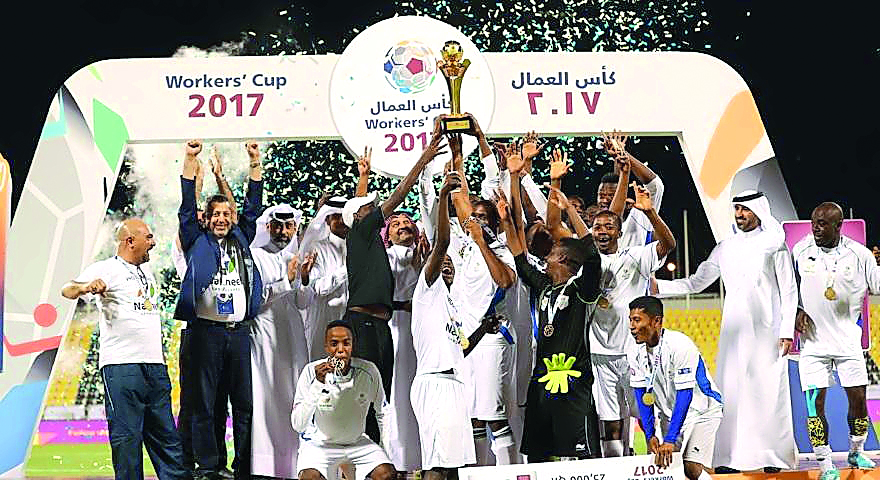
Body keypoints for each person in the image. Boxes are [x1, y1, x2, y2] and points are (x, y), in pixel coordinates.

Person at [654, 190, 797, 472]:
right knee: (732, 393)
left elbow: (789, 290)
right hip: (733, 332)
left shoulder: (775, 245)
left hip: (769, 332)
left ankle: (771, 457)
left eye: (745, 210)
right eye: (737, 210)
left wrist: (787, 330)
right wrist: (660, 287)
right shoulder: (726, 247)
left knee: (769, 393)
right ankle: (729, 458)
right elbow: (697, 282)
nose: (740, 215)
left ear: (759, 211)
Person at [341, 122, 446, 442]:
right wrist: (424, 159)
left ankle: (374, 457)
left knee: (379, 396)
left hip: (380, 326)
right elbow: (398, 195)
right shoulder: (360, 232)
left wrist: (363, 179)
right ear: (361, 217)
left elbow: (358, 208)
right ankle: (359, 459)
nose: (378, 210)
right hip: (362, 325)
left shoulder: (370, 243)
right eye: (370, 208)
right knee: (365, 395)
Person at [61, 219, 188, 480]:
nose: (153, 243)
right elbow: (67, 289)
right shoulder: (106, 268)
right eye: (149, 237)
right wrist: (85, 287)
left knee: (168, 440)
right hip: (122, 366)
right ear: (130, 241)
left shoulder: (146, 272)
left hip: (155, 365)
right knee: (127, 440)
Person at [498, 150, 604, 461]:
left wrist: (569, 208)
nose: (546, 257)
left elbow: (593, 254)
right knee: (538, 456)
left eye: (553, 253)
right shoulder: (544, 286)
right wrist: (507, 217)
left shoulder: (582, 289)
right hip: (542, 381)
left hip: (574, 382)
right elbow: (518, 257)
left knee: (582, 459)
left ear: (566, 261)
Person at [174, 139, 264, 480]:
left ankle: (244, 466)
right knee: (204, 404)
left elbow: (253, 206)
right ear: (207, 219)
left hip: (238, 334)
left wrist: (254, 163)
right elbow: (186, 204)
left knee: (243, 404)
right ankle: (209, 466)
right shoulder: (196, 240)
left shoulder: (242, 239)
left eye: (228, 214)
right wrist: (189, 159)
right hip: (205, 333)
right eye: (216, 215)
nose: (223, 219)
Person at [410, 170, 501, 479]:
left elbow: (461, 348)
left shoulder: (450, 304)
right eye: (441, 261)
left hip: (454, 384)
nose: (446, 263)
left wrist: (483, 330)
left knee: (454, 467)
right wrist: (444, 196)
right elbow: (443, 242)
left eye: (450, 263)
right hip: (434, 385)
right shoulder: (427, 291)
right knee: (436, 465)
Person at [590, 157, 676, 457]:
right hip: (599, 355)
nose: (602, 231)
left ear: (619, 231)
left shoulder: (637, 255)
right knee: (610, 422)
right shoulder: (586, 260)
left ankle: (666, 462)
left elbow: (667, 244)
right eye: (596, 227)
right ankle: (616, 471)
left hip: (634, 352)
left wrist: (649, 211)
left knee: (648, 412)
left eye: (608, 226)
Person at [792, 202, 879, 479]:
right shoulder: (800, 250)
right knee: (814, 404)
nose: (815, 228)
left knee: (858, 401)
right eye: (813, 222)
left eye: (822, 224)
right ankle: (825, 463)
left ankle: (856, 451)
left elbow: (877, 286)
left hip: (848, 343)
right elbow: (788, 286)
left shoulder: (860, 255)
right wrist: (795, 308)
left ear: (838, 226)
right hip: (813, 345)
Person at [447, 134, 519, 466]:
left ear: (491, 222)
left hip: (491, 339)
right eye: (472, 216)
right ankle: (479, 473)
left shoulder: (501, 247)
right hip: (464, 339)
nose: (475, 219)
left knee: (493, 412)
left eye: (482, 216)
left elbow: (505, 280)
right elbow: (460, 199)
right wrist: (458, 155)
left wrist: (483, 243)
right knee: (472, 414)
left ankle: (508, 473)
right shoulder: (462, 246)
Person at [173, 149, 236, 479]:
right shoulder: (188, 241)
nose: (210, 220)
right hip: (198, 328)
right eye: (206, 216)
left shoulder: (227, 245)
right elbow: (188, 212)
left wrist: (219, 177)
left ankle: (212, 463)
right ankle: (194, 462)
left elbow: (233, 218)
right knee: (197, 402)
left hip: (224, 330)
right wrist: (192, 172)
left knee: (216, 402)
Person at [628, 296, 723, 480]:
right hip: (669, 415)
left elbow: (685, 395)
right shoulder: (634, 352)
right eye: (630, 320)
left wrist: (670, 439)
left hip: (702, 411)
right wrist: (650, 435)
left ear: (656, 321)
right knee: (667, 468)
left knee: (691, 468)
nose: (631, 326)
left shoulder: (680, 345)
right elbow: (642, 396)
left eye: (637, 320)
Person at [249, 204, 311, 479]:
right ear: (267, 227)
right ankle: (265, 468)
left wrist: (304, 278)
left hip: (293, 337)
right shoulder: (254, 255)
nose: (284, 231)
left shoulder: (295, 255)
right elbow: (254, 300)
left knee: (294, 398)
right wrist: (286, 279)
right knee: (268, 402)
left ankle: (297, 465)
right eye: (278, 226)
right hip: (265, 337)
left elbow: (302, 302)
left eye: (289, 226)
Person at [291, 321, 396, 480]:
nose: (341, 350)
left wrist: (385, 451)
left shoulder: (368, 371)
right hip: (320, 445)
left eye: (346, 343)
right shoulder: (311, 372)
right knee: (308, 478)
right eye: (334, 344)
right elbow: (298, 424)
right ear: (326, 347)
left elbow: (383, 412)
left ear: (352, 346)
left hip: (357, 443)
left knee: (387, 474)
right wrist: (318, 384)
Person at [381, 209, 428, 471]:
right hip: (395, 326)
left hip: (422, 329)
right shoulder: (383, 257)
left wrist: (420, 264)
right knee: (398, 392)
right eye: (395, 223)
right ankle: (397, 461)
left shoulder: (427, 257)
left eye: (407, 222)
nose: (402, 226)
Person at [298, 196, 349, 360]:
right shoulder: (318, 247)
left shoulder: (357, 246)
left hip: (353, 319)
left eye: (344, 217)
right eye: (336, 217)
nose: (341, 221)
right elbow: (319, 288)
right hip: (326, 317)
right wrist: (348, 268)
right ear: (327, 220)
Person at [597, 131, 664, 248]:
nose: (604, 200)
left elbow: (655, 186)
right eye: (601, 195)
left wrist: (624, 155)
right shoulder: (593, 228)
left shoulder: (639, 217)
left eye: (611, 196)